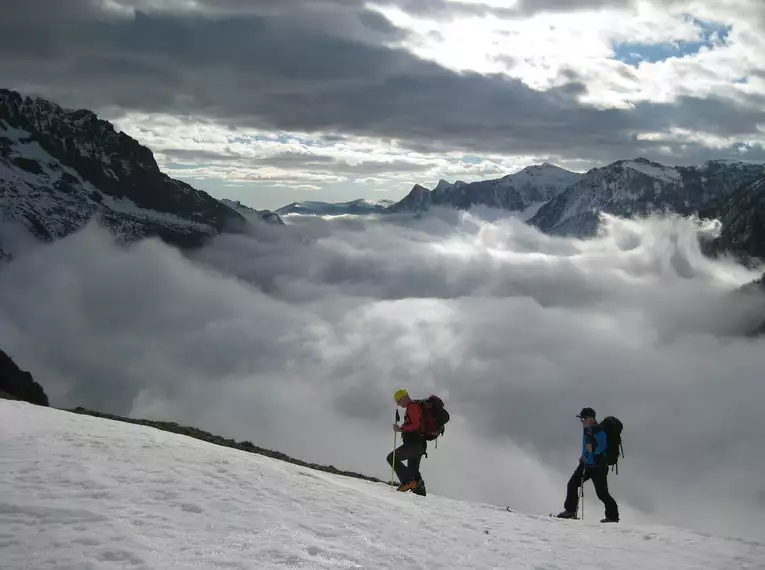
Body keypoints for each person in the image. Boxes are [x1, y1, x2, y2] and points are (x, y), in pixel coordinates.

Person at [555, 407, 619, 523]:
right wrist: (583, 456)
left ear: (592, 418)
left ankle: (613, 517)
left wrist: (593, 449)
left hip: (598, 467)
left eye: (584, 418)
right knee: (572, 484)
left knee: (602, 493)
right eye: (581, 419)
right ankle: (570, 511)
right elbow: (586, 446)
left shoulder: (599, 431)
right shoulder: (586, 429)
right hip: (586, 464)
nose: (582, 421)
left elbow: (602, 447)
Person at [386, 388, 427, 495]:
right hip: (420, 444)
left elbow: (415, 425)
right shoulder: (415, 406)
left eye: (399, 401)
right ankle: (419, 491)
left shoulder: (412, 407)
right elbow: (416, 424)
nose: (399, 405)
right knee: (413, 470)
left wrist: (401, 429)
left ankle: (407, 482)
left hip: (414, 444)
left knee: (392, 458)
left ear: (404, 398)